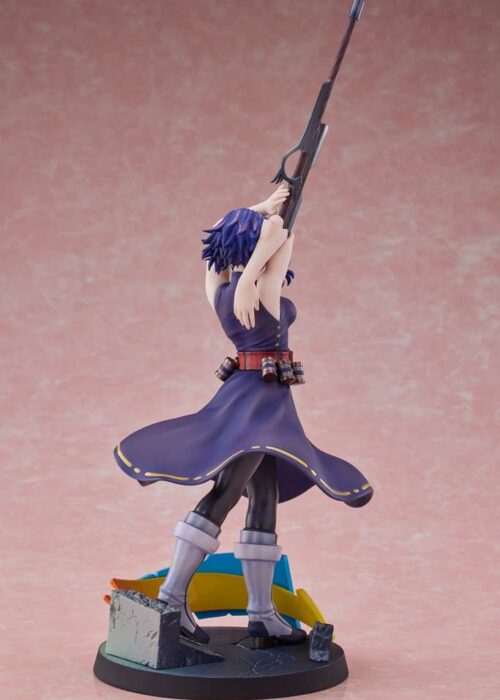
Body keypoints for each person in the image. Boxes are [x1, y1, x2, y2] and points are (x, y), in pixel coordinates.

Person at [114, 184, 373, 645]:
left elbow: (223, 236)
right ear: (256, 251)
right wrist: (275, 227)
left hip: (256, 402)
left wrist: (263, 207)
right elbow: (280, 242)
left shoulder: (219, 291)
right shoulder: (256, 296)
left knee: (264, 494)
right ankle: (172, 597)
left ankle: (261, 614)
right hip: (259, 408)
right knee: (229, 490)